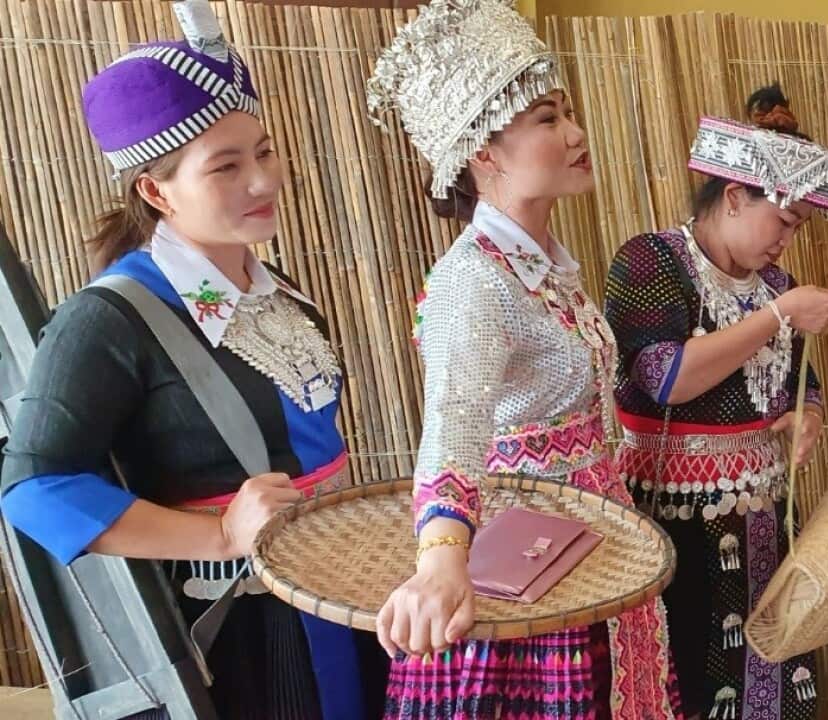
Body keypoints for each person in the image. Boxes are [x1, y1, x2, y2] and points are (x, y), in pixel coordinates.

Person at [0, 2, 386, 717]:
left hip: (339, 587)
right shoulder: (109, 319)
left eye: (265, 152)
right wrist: (217, 531)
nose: (264, 181)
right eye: (227, 166)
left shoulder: (281, 293)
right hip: (249, 632)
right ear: (155, 190)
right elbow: (33, 489)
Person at [367, 1, 681, 717]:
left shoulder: (547, 270)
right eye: (545, 118)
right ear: (484, 152)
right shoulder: (471, 280)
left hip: (592, 543)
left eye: (567, 112)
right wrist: (444, 556)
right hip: (524, 565)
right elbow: (455, 418)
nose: (574, 133)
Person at [604, 83, 828, 720]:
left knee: (774, 662)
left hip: (767, 513)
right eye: (783, 222)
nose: (786, 242)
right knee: (690, 675)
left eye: (797, 227)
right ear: (733, 197)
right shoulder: (650, 262)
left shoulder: (777, 283)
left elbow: (801, 376)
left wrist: (809, 415)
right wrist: (777, 316)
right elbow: (665, 378)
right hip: (673, 514)